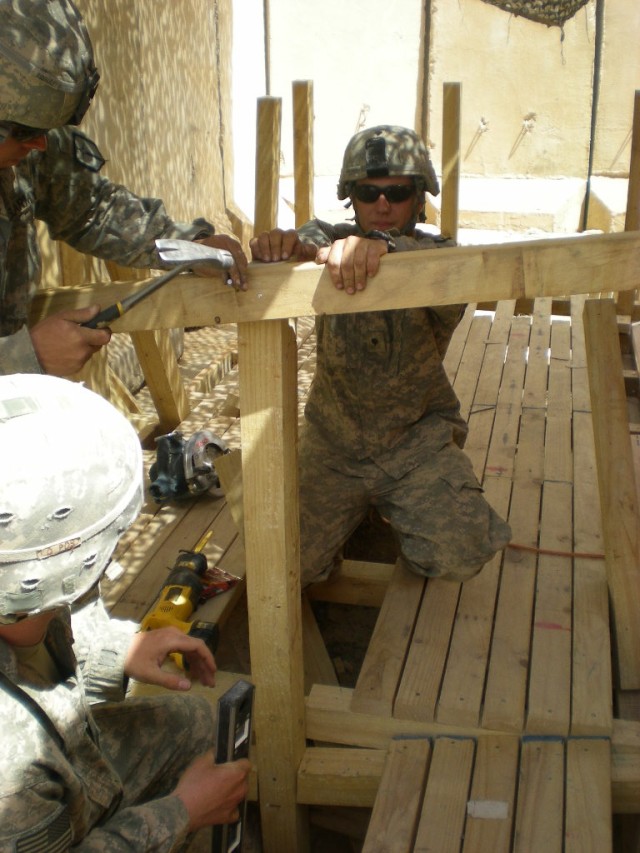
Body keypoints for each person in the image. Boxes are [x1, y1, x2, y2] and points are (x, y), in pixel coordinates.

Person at [250, 124, 512, 587]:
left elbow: (442, 270)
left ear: (418, 198)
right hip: (333, 443)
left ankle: (396, 513)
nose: (383, 205)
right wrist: (286, 246)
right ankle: (360, 515)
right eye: (369, 193)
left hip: (415, 442)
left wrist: (381, 249)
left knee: (461, 552)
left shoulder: (438, 257)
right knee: (285, 569)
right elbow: (310, 236)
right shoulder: (332, 242)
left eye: (397, 191)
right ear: (353, 198)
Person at [0, 372, 250, 850]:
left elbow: (40, 640)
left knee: (198, 726)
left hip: (64, 776)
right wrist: (181, 814)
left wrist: (120, 652)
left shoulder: (22, 601)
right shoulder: (10, 773)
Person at [0, 0, 248, 379]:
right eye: (25, 133)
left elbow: (91, 208)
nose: (40, 146)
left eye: (47, 131)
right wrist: (24, 359)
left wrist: (183, 245)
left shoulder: (25, 146)